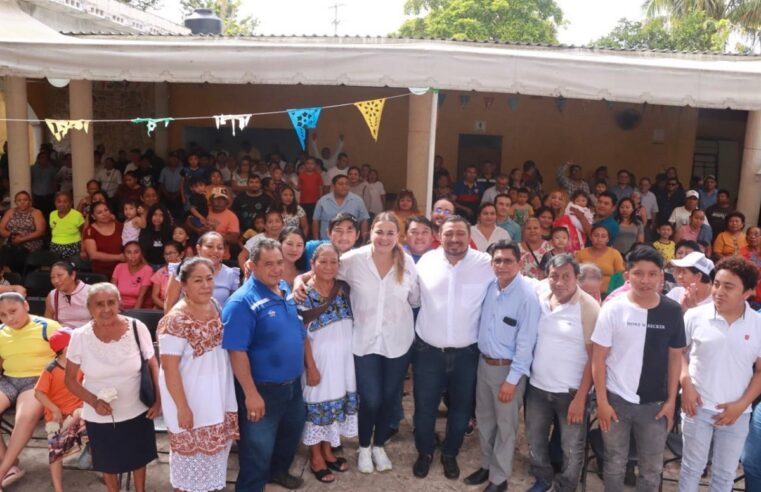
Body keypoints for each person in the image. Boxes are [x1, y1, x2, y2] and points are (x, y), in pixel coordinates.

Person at [591, 246, 685, 492]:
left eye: (652, 274)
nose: (645, 280)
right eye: (639, 273)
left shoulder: (672, 311)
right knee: (613, 462)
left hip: (655, 404)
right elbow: (598, 358)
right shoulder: (613, 308)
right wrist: (602, 401)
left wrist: (671, 400)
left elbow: (676, 357)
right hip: (616, 400)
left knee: (652, 468)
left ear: (661, 277)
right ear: (627, 276)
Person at [412, 216, 494, 480]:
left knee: (460, 409)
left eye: (460, 233)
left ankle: (450, 453)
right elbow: (412, 296)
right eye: (449, 234)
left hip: (467, 353)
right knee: (424, 407)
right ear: (439, 234)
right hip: (428, 351)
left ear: (469, 235)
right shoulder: (426, 261)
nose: (455, 239)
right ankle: (424, 451)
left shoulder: (485, 264)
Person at [335, 213, 418, 473]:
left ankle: (379, 445)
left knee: (389, 397)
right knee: (370, 399)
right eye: (379, 232)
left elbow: (415, 299)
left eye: (390, 233)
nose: (384, 238)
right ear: (369, 232)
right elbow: (323, 272)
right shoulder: (352, 260)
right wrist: (302, 280)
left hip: (398, 341)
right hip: (364, 340)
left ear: (398, 236)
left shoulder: (407, 262)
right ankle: (363, 446)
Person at [222, 239, 307, 491]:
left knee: (289, 437)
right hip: (262, 389)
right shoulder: (241, 303)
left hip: (292, 386)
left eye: (279, 262)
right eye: (268, 264)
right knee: (257, 452)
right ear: (251, 265)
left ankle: (278, 473)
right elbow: (236, 351)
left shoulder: (283, 287)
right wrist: (250, 394)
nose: (276, 269)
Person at [64, 283, 160, 492]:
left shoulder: (136, 327)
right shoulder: (80, 336)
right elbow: (70, 379)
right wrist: (94, 402)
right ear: (89, 308)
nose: (106, 309)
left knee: (139, 457)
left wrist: (158, 401)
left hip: (138, 408)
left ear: (119, 304)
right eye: (99, 304)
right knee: (108, 460)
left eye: (111, 302)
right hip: (100, 414)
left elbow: (153, 364)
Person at [463, 240, 540, 492]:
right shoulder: (489, 287)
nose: (502, 265)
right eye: (497, 260)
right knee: (485, 421)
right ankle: (487, 465)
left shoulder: (527, 297)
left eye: (508, 260)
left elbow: (526, 343)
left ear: (519, 263)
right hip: (484, 364)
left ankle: (499, 479)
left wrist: (512, 379)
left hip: (508, 371)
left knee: (506, 427)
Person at [680, 256, 761, 491]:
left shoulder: (758, 325)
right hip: (697, 408)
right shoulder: (695, 316)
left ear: (747, 292)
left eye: (728, 286)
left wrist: (741, 404)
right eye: (716, 284)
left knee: (724, 476)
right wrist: (686, 385)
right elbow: (679, 355)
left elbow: (759, 372)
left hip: (736, 414)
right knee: (691, 470)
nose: (719, 292)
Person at [158, 257, 239, 492]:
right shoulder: (175, 320)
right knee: (188, 467)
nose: (206, 285)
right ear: (183, 285)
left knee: (214, 459)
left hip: (217, 392)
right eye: (197, 280)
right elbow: (169, 369)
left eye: (209, 278)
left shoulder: (213, 304)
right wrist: (183, 407)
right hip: (191, 398)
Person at [524, 254, 599, 492]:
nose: (559, 282)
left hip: (571, 391)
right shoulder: (541, 297)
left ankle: (566, 486)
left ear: (577, 277)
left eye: (566, 276)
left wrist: (581, 397)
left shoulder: (588, 308)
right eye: (554, 276)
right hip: (537, 386)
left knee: (571, 445)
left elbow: (594, 358)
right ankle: (542, 477)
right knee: (535, 437)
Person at [298, 244, 357, 483]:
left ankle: (327, 450)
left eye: (334, 262)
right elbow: (301, 334)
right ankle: (315, 456)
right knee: (318, 405)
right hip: (319, 362)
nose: (329, 266)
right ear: (313, 265)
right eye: (323, 261)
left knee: (333, 407)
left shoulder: (342, 289)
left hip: (342, 362)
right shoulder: (304, 294)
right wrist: (311, 366)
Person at [0, 293, 61, 488]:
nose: (9, 318)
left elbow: (67, 358)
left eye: (13, 311)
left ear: (25, 305)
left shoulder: (48, 327)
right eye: (2, 315)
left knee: (24, 417)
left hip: (37, 381)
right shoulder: (1, 332)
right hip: (8, 379)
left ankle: (1, 471)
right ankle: (9, 463)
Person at [33, 328, 87, 492]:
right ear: (64, 349)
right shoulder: (50, 369)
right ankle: (58, 488)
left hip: (78, 410)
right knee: (55, 451)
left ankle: (91, 455)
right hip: (57, 418)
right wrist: (55, 409)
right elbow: (38, 393)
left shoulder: (81, 365)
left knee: (98, 429)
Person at [165, 232, 240, 311]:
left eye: (220, 248)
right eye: (210, 246)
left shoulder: (231, 274)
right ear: (198, 248)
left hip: (218, 322)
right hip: (184, 321)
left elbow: (234, 308)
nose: (215, 251)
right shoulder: (183, 269)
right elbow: (169, 304)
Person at [313, 175, 370, 241]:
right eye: (340, 184)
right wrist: (316, 240)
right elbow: (315, 221)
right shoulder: (323, 201)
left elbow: (364, 220)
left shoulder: (358, 200)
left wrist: (364, 240)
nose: (344, 186)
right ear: (333, 186)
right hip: (327, 242)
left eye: (347, 184)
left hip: (349, 242)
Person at [0, 191, 46, 272]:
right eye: (19, 200)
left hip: (30, 244)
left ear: (30, 201)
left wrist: (22, 239)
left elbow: (40, 231)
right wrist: (12, 235)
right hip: (11, 242)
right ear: (15, 202)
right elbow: (1, 228)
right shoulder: (10, 212)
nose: (22, 202)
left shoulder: (36, 212)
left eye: (25, 200)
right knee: (7, 252)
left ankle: (24, 276)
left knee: (20, 255)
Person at [576, 225, 625, 296]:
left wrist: (615, 294)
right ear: (590, 237)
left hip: (608, 294)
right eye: (596, 235)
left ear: (608, 239)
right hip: (585, 293)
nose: (599, 239)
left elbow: (620, 275)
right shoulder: (581, 253)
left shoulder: (614, 253)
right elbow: (575, 274)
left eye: (603, 236)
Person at [82, 202, 124, 278]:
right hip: (101, 273)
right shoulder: (90, 231)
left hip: (122, 270)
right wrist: (119, 257)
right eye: (99, 212)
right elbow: (93, 255)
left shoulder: (120, 226)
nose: (104, 214)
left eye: (106, 210)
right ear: (93, 216)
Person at [45, 261, 91, 329]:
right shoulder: (52, 296)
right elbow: (48, 323)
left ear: (73, 275)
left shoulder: (92, 292)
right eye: (52, 277)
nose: (56, 281)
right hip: (63, 335)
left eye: (59, 275)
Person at [111, 242, 153, 310]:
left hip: (139, 309)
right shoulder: (119, 267)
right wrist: (117, 308)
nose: (133, 256)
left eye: (136, 252)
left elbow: (142, 296)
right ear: (124, 255)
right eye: (129, 252)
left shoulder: (147, 270)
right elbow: (112, 291)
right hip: (119, 308)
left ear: (141, 254)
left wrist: (133, 315)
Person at [49, 192, 85, 261]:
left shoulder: (77, 215)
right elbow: (52, 229)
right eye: (59, 201)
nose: (61, 204)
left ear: (71, 203)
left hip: (73, 246)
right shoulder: (52, 214)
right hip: (55, 246)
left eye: (65, 202)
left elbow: (83, 232)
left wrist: (83, 249)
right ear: (55, 203)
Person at [150, 242, 183, 311]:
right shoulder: (160, 273)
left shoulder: (188, 272)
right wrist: (168, 308)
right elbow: (154, 297)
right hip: (162, 309)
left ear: (181, 254)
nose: (168, 257)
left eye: (171, 253)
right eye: (166, 254)